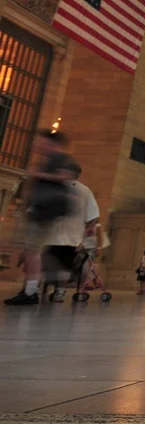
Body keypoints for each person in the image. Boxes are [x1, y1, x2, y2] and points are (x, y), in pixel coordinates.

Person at [5, 131, 75, 306]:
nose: (38, 145)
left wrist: (39, 175)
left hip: (46, 211)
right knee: (31, 250)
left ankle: (31, 291)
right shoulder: (46, 161)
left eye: (42, 142)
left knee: (33, 250)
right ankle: (32, 287)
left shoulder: (60, 158)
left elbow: (67, 175)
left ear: (51, 143)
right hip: (38, 210)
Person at [38, 162, 99, 304]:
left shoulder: (57, 188)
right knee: (63, 264)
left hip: (56, 235)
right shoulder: (85, 191)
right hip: (71, 237)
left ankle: (41, 288)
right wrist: (88, 232)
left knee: (47, 260)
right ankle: (59, 290)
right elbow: (93, 216)